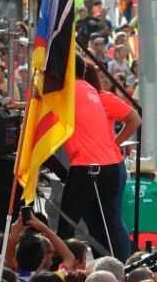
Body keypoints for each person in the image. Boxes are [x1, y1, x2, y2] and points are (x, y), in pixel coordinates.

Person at [60, 59, 139, 260]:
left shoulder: (99, 97)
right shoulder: (88, 95)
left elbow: (135, 119)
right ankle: (109, 262)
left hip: (103, 162)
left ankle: (121, 262)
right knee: (97, 220)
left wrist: (114, 142)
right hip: (106, 162)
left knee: (110, 220)